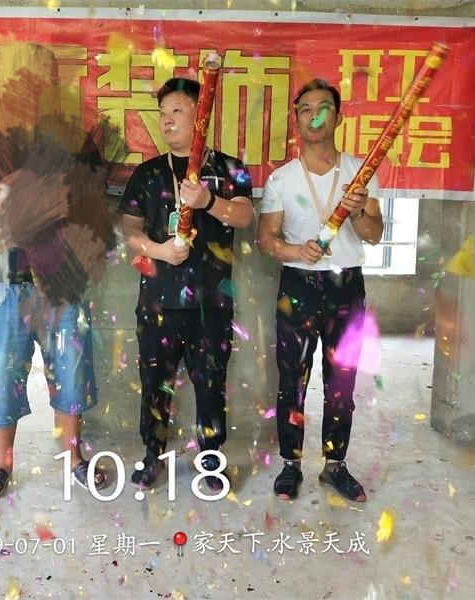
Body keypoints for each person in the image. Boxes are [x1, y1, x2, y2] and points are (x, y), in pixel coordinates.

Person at [0, 42, 110, 498]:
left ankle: (74, 458)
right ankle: (1, 462)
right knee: (3, 376)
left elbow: (92, 207)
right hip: (7, 281)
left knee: (72, 372)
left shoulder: (77, 141)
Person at [120, 77, 254, 491]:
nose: (166, 120)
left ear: (201, 115)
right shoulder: (147, 173)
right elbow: (129, 233)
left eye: (176, 110)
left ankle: (211, 459)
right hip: (157, 304)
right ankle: (152, 455)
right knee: (154, 386)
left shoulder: (230, 169)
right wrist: (158, 251)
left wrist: (207, 201)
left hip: (210, 305)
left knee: (211, 386)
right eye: (163, 113)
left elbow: (244, 216)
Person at [257, 78, 384, 502]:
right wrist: (295, 250)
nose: (315, 116)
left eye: (323, 107)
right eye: (306, 109)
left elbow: (374, 235)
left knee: (342, 381)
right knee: (291, 380)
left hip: (347, 284)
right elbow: (266, 240)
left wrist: (359, 209)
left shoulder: (360, 172)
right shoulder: (281, 179)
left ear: (338, 117)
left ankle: (335, 465)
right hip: (297, 285)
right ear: (296, 120)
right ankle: (290, 465)